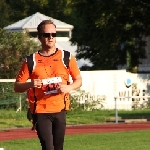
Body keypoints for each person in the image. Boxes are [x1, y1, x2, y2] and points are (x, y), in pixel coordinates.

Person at [14, 20, 82, 150]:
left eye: (53, 34)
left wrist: (68, 87)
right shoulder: (31, 60)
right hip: (41, 111)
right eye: (46, 34)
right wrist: (31, 83)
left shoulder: (66, 57)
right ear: (39, 37)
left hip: (60, 109)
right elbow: (17, 86)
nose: (50, 37)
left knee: (58, 148)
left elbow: (78, 80)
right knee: (48, 148)